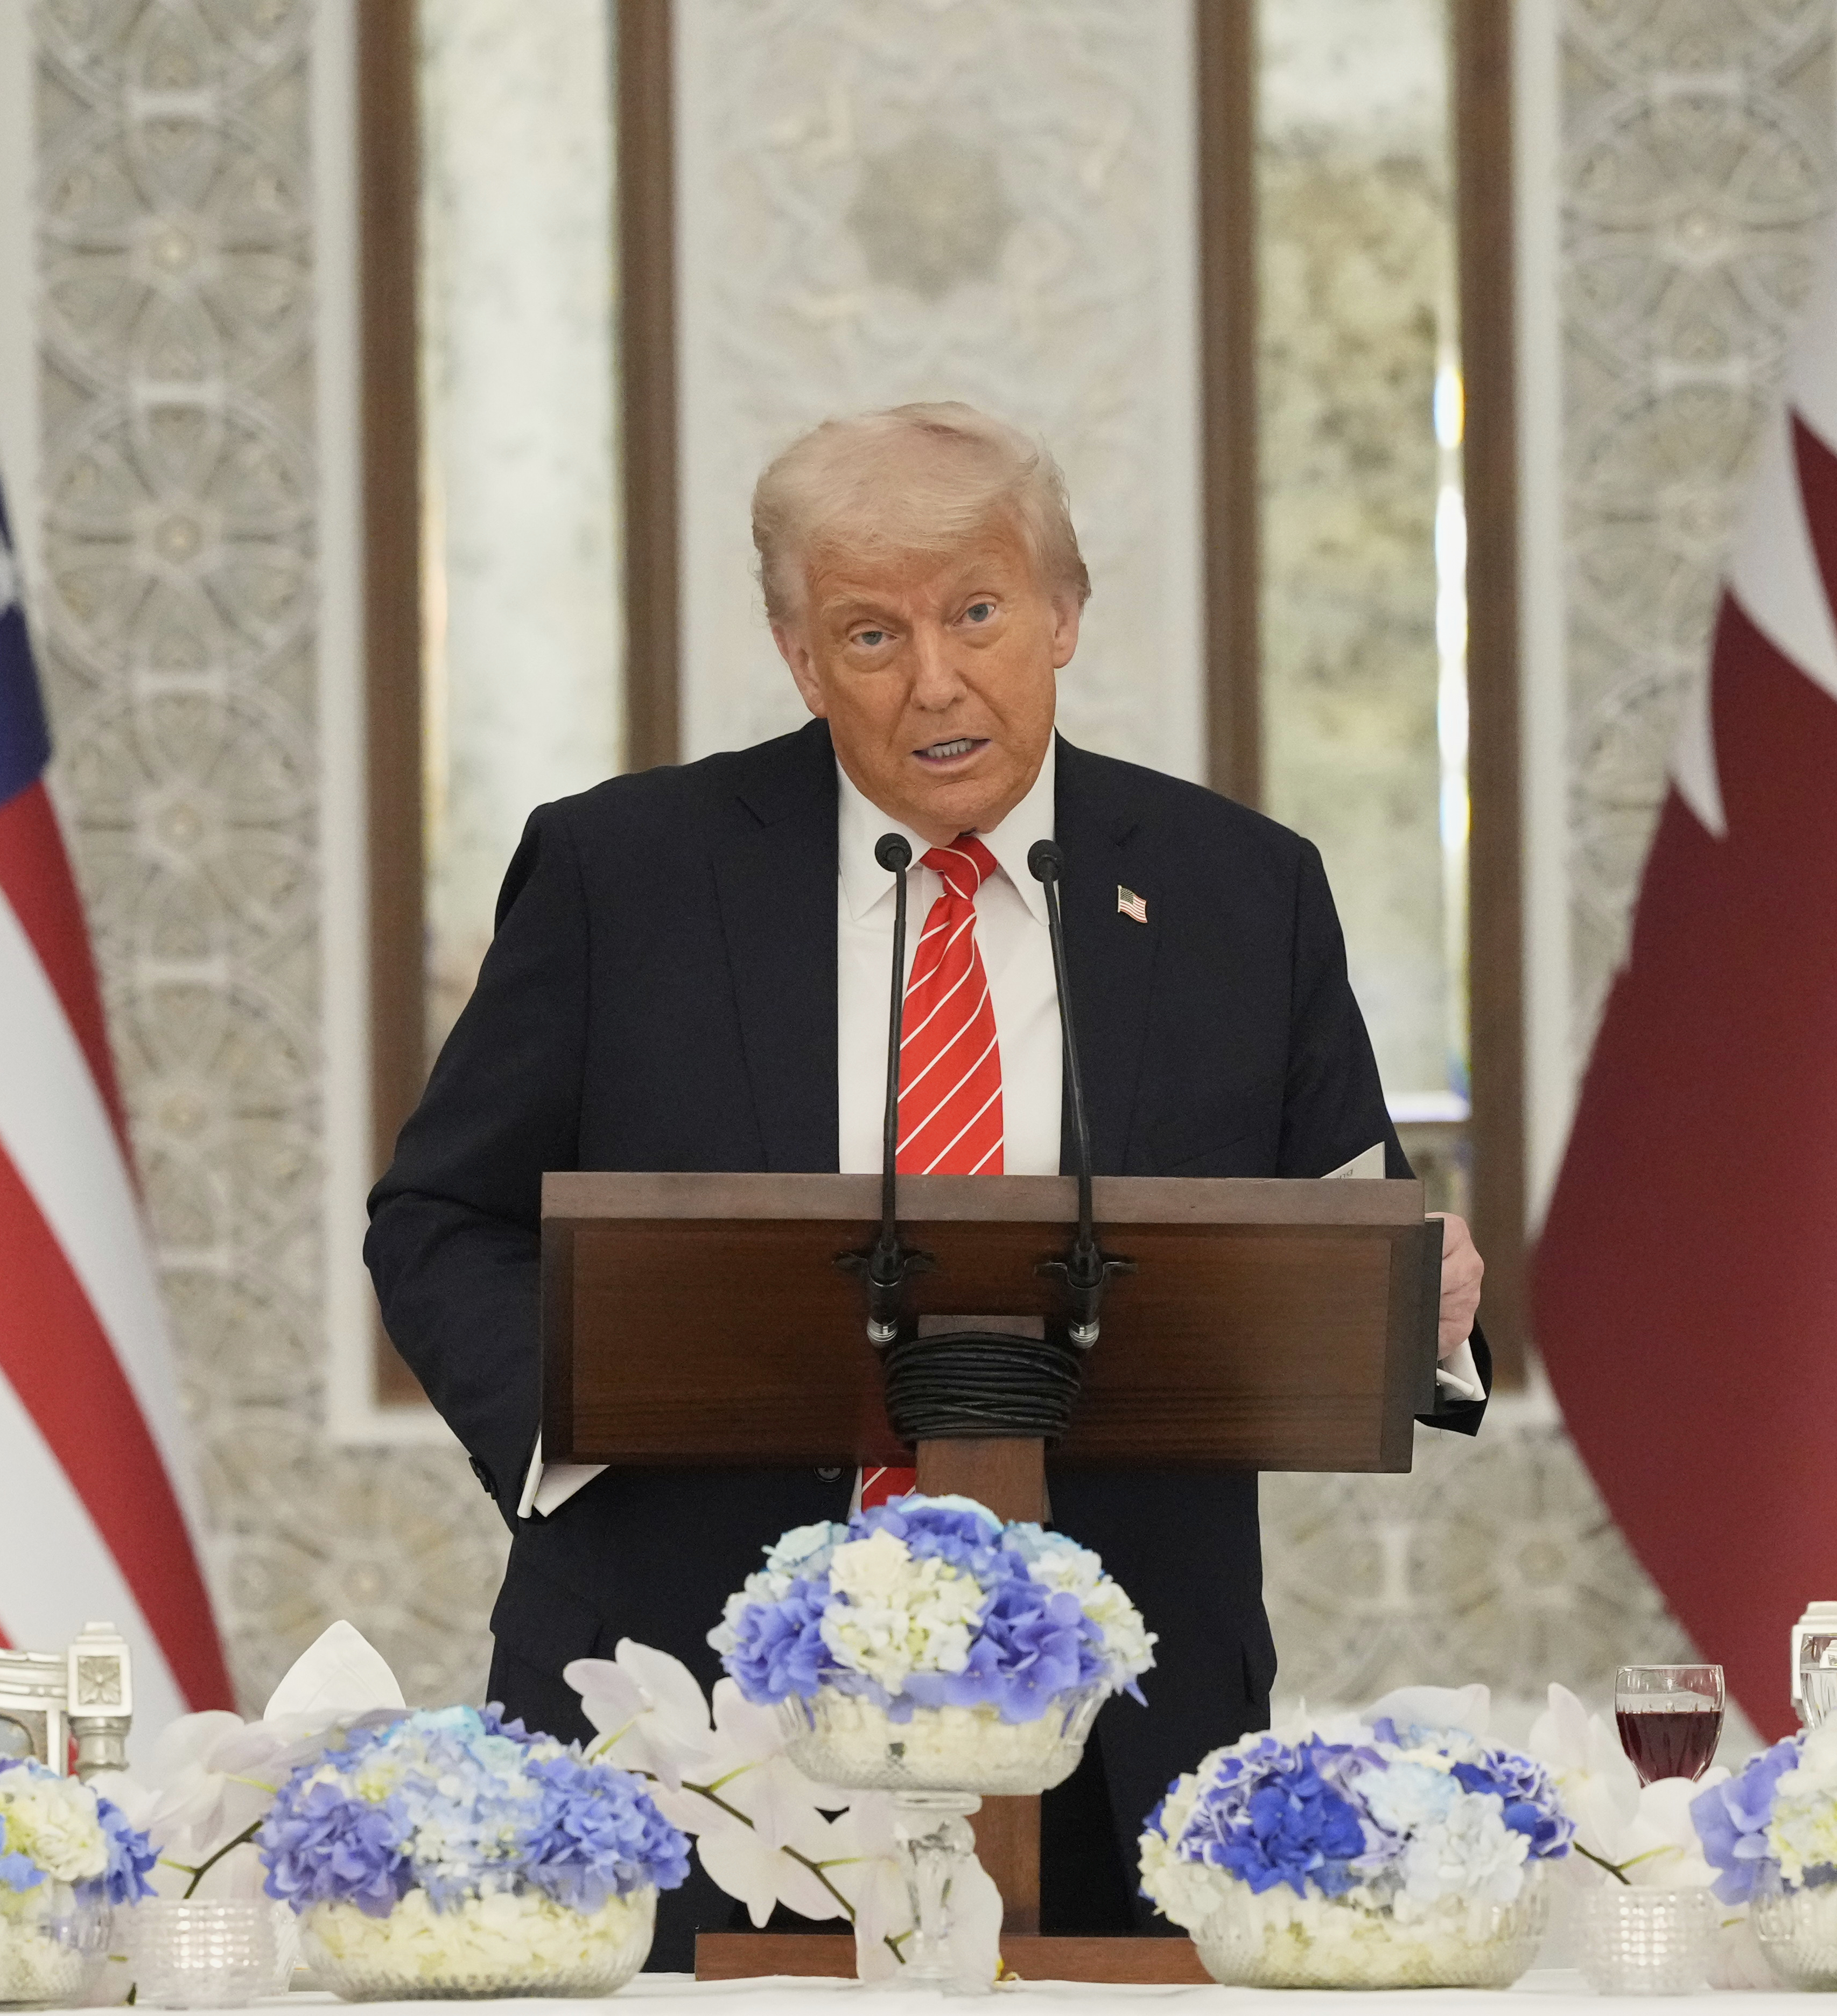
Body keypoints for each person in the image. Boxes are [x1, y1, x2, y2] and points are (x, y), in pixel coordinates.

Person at [367, 402, 1491, 1958]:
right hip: (687, 1702)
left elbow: (1351, 1224)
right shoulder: (624, 875)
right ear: (799, 654)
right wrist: (584, 1404)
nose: (937, 679)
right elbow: (439, 1218)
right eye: (871, 632)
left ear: (1064, 612)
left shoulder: (1245, 890)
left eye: (978, 612)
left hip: (1116, 1731)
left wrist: (1423, 1305)